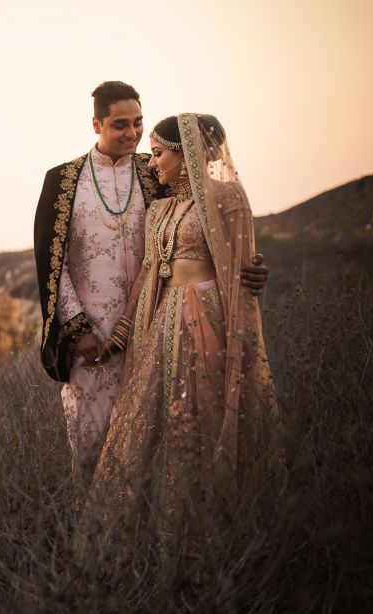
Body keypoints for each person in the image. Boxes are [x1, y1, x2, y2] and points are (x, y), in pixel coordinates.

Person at [33, 82, 269, 492]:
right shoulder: (63, 181)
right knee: (90, 444)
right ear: (96, 124)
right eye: (120, 124)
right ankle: (96, 538)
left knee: (158, 442)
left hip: (158, 328)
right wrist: (77, 330)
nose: (132, 133)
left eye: (138, 122)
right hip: (92, 336)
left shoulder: (158, 172)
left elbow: (208, 232)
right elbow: (52, 265)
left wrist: (251, 269)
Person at [81, 113, 287, 559]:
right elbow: (145, 277)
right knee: (150, 422)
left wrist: (253, 284)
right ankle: (138, 546)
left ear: (191, 152)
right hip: (162, 323)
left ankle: (204, 542)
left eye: (159, 153)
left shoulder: (227, 199)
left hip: (207, 320)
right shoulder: (161, 207)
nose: (153, 164)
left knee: (196, 422)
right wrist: (120, 334)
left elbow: (240, 267)